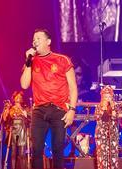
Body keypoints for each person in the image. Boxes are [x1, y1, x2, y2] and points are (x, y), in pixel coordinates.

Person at [20, 28, 78, 169]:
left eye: (38, 38)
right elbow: (24, 84)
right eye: (34, 39)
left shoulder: (62, 60)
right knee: (36, 150)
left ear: (48, 41)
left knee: (58, 149)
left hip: (59, 110)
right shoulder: (32, 61)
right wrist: (28, 62)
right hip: (39, 110)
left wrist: (72, 110)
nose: (35, 41)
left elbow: (73, 87)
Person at [94, 85, 122, 169]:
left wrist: (112, 106)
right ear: (102, 96)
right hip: (101, 133)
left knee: (113, 155)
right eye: (105, 96)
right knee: (102, 155)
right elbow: (98, 117)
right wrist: (104, 107)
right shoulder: (98, 107)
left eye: (109, 96)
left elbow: (115, 117)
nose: (107, 98)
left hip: (112, 133)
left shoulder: (115, 106)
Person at [2, 91, 31, 169]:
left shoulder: (25, 108)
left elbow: (30, 117)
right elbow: (4, 119)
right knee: (13, 153)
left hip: (22, 130)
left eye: (20, 97)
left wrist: (22, 111)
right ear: (13, 98)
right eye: (16, 97)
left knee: (22, 153)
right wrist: (7, 110)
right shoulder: (10, 108)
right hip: (13, 131)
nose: (18, 98)